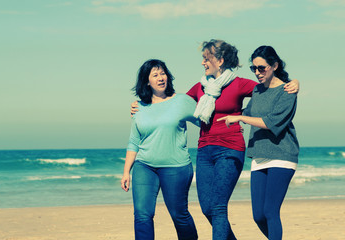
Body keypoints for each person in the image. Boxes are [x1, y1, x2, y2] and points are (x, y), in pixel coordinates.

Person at [131, 40, 299, 240]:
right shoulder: (200, 87)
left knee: (219, 206)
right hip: (204, 150)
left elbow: (271, 88)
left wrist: (294, 83)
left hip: (230, 148)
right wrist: (142, 103)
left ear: (219, 61)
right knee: (207, 208)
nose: (202, 63)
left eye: (206, 58)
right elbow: (173, 103)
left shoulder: (239, 84)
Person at [217, 45, 299, 240]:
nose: (257, 72)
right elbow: (246, 113)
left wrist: (240, 119)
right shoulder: (257, 90)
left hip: (282, 155)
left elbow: (271, 123)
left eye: (261, 68)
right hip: (259, 155)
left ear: (274, 65)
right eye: (254, 68)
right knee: (258, 216)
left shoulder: (287, 90)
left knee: (270, 212)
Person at [121, 59, 199, 240]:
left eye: (163, 73)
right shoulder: (139, 107)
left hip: (176, 167)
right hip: (144, 166)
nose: (160, 78)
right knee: (142, 215)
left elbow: (205, 122)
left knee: (179, 215)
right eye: (155, 75)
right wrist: (126, 172)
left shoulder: (182, 101)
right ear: (147, 81)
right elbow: (134, 141)